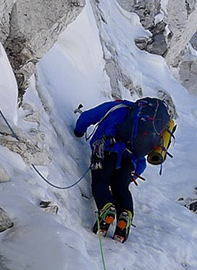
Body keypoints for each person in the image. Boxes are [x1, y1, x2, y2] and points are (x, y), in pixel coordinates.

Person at [73, 97, 173, 242]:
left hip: (106, 150)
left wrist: (78, 131)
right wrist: (133, 175)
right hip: (130, 161)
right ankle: (124, 215)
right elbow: (142, 162)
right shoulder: (149, 128)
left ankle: (106, 208)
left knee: (100, 182)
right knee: (121, 188)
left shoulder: (118, 107)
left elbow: (88, 117)